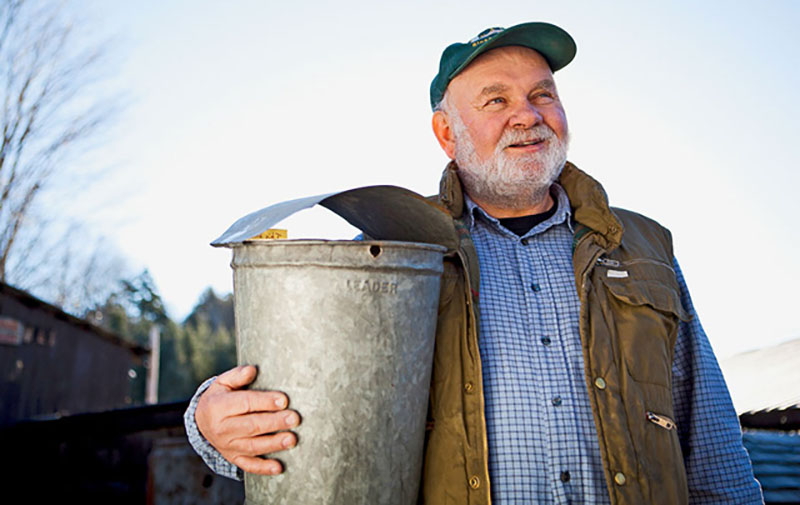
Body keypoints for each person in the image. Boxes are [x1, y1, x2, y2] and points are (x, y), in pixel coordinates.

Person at [185, 22, 764, 504]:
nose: (528, 115)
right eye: (497, 100)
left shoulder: (643, 245)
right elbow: (305, 390)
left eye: (542, 94)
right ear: (447, 133)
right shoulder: (391, 248)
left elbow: (712, 443)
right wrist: (210, 420)